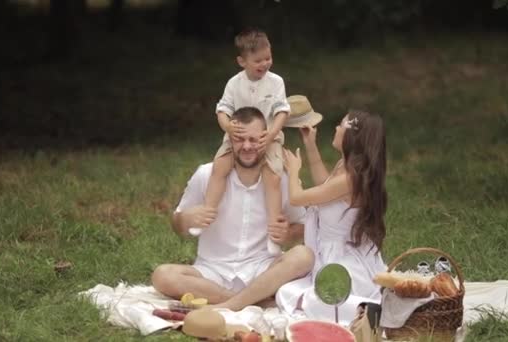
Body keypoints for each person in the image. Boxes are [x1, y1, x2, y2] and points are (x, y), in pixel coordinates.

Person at [152, 107, 314, 311]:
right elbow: (177, 224)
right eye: (239, 139)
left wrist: (288, 233)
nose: (247, 146)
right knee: (163, 275)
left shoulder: (280, 179)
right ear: (230, 139)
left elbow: (303, 226)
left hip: (262, 270)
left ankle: (231, 303)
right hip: (211, 272)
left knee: (303, 255)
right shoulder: (206, 174)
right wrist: (186, 219)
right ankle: (254, 301)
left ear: (266, 139)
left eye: (254, 140)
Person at [277, 107, 388, 323]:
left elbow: (297, 198)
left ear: (351, 137)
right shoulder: (345, 167)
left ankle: (361, 310)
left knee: (293, 295)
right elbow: (324, 187)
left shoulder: (350, 179)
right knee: (287, 290)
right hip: (329, 251)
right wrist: (310, 144)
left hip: (342, 259)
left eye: (341, 124)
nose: (336, 128)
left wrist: (293, 171)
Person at [196, 28, 290, 256]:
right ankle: (207, 213)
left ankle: (274, 233)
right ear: (242, 61)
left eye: (268, 58)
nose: (265, 64)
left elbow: (282, 111)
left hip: (268, 136)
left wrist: (271, 134)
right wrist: (228, 127)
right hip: (237, 136)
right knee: (219, 167)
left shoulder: (276, 82)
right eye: (258, 60)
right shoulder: (234, 83)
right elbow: (223, 109)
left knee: (274, 176)